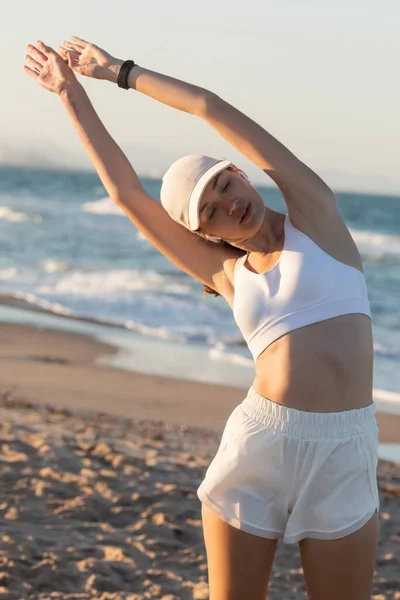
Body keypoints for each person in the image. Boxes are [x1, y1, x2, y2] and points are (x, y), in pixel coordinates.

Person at [24, 38, 380, 600]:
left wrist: (117, 72)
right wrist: (69, 95)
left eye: (223, 184)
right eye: (209, 212)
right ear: (206, 234)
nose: (227, 203)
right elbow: (126, 194)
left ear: (238, 170)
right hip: (261, 444)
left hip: (347, 447)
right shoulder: (227, 275)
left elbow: (209, 107)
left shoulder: (318, 215)